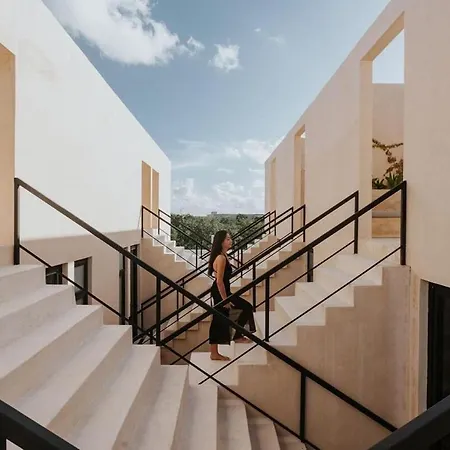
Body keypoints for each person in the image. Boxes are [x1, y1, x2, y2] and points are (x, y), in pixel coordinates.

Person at [208, 230, 256, 361]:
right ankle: (214, 353)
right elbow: (219, 281)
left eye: (230, 238)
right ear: (221, 242)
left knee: (245, 308)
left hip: (223, 291)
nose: (231, 241)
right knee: (219, 319)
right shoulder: (221, 258)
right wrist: (225, 300)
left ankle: (237, 335)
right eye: (227, 239)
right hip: (220, 292)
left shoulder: (223, 255)